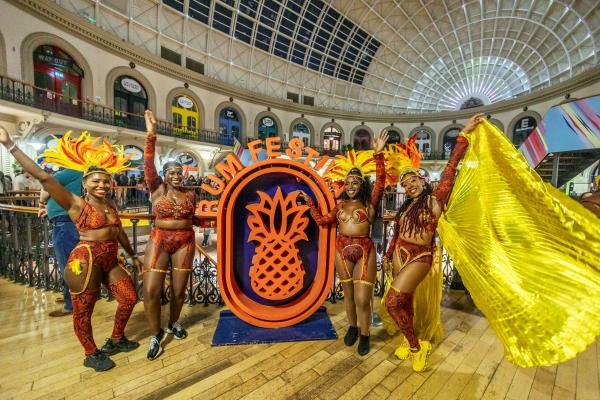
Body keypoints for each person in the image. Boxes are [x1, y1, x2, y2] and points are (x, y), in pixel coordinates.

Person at [0, 128, 143, 372]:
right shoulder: (75, 203)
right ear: (85, 183)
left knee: (129, 298)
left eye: (105, 181)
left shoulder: (111, 204)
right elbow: (45, 178)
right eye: (95, 181)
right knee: (83, 309)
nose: (102, 184)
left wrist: (132, 255)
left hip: (110, 260)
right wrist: (10, 145)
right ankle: (90, 352)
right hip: (86, 260)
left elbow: (118, 232)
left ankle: (116, 339)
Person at [382, 113, 484, 372]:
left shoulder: (435, 198)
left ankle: (418, 347)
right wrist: (389, 252)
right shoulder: (406, 206)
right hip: (399, 253)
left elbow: (451, 165)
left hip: (420, 256)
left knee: (392, 302)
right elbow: (397, 232)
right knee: (404, 302)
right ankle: (409, 338)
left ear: (422, 180)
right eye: (405, 184)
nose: (409, 185)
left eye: (413, 180)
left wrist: (463, 134)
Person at [299, 129, 388, 356]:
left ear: (361, 185)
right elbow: (321, 220)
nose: (350, 186)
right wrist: (310, 203)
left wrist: (378, 155)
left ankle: (366, 334)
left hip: (364, 250)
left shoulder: (370, 204)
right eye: (347, 182)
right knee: (348, 295)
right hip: (341, 251)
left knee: (362, 298)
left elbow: (380, 183)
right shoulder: (339, 207)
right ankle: (353, 327)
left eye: (355, 182)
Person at [143, 110, 200, 360]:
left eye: (179, 172)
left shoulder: (191, 194)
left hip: (185, 242)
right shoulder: (156, 188)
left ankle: (174, 323)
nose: (176, 175)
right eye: (171, 172)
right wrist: (151, 134)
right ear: (164, 175)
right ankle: (155, 334)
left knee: (179, 291)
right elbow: (147, 162)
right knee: (152, 291)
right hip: (159, 240)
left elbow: (192, 218)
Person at [39, 168, 83, 317]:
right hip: (64, 221)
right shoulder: (75, 172)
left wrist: (41, 202)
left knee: (67, 265)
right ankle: (70, 297)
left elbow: (45, 188)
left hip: (65, 223)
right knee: (69, 263)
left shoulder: (71, 170)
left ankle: (71, 304)